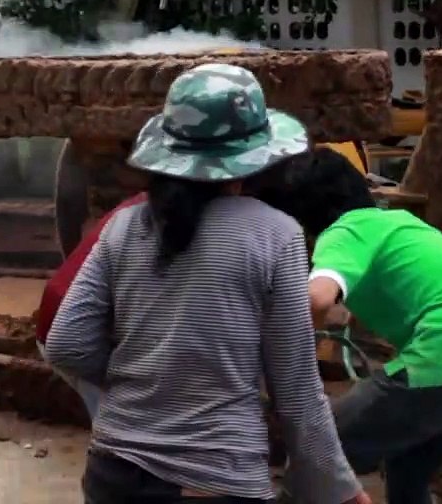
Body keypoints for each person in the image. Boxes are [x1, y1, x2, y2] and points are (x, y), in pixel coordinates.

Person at [44, 63, 368, 504]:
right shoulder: (276, 234)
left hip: (112, 475)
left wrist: (143, 384)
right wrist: (341, 491)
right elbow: (297, 392)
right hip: (216, 479)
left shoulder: (122, 226)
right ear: (255, 156)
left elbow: (66, 344)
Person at [262, 148, 442, 504]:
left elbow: (317, 300)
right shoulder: (398, 222)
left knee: (317, 454)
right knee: (409, 467)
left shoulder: (345, 231)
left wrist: (273, 357)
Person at [34, 191, 148, 420]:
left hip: (62, 316)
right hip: (72, 328)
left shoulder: (141, 207)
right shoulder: (146, 218)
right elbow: (66, 346)